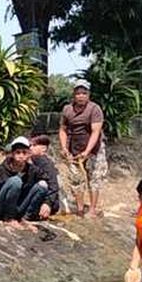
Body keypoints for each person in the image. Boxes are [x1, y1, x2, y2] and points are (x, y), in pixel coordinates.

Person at [58, 83, 107, 218]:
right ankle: (80, 209)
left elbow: (95, 132)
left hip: (94, 150)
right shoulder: (67, 110)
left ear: (88, 95)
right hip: (74, 149)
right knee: (76, 179)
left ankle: (92, 209)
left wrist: (87, 151)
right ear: (74, 95)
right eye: (78, 93)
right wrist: (63, 148)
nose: (81, 96)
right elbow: (63, 130)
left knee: (95, 178)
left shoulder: (94, 109)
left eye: (84, 93)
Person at [0, 136, 49, 226]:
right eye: (18, 152)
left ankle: (26, 218)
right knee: (15, 181)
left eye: (24, 152)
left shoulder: (32, 170)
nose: (21, 156)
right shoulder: (2, 169)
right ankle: (9, 218)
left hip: (19, 206)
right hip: (2, 207)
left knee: (42, 185)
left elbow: (47, 181)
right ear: (12, 154)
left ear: (29, 154)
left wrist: (47, 203)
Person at [28, 135, 61, 220]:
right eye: (30, 145)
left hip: (46, 203)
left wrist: (48, 203)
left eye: (34, 145)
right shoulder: (33, 160)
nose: (30, 148)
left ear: (43, 148)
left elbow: (53, 185)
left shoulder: (44, 163)